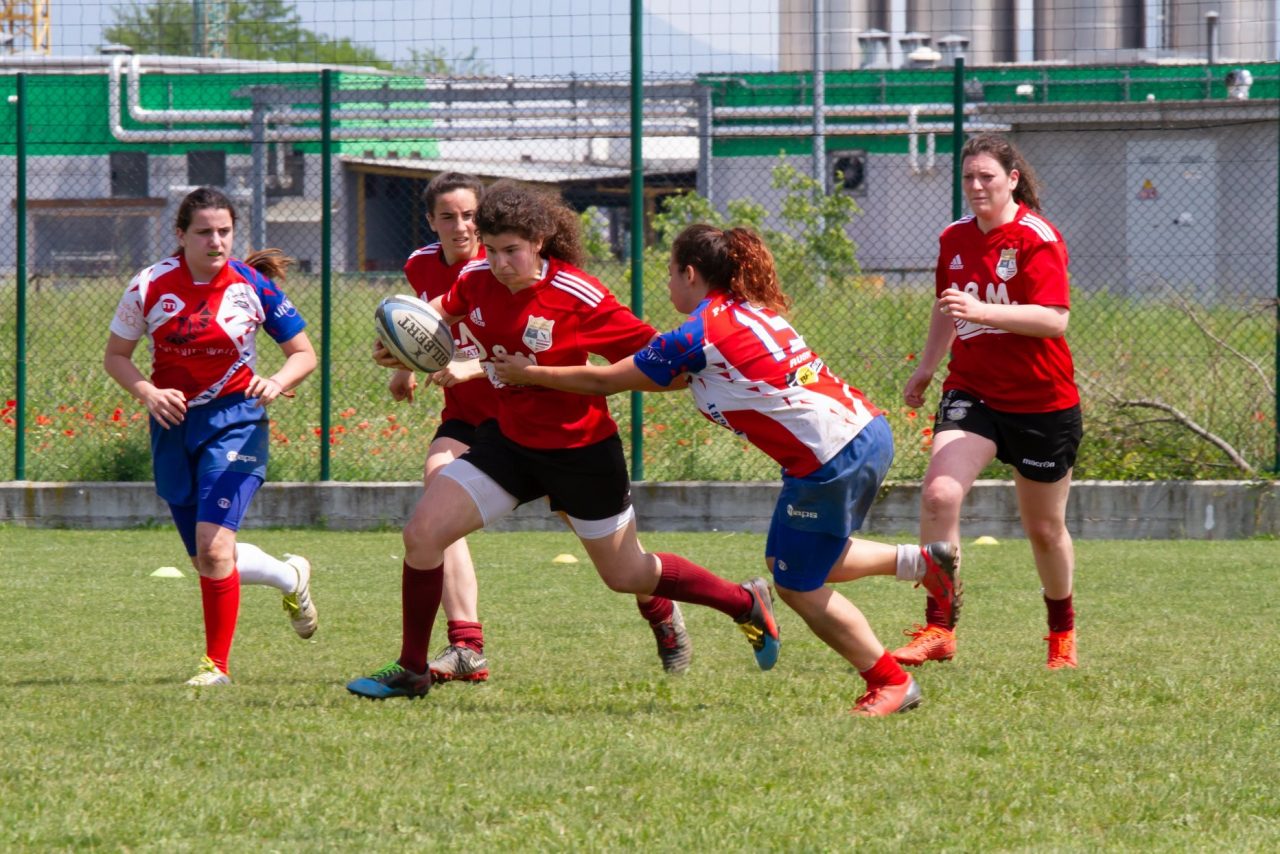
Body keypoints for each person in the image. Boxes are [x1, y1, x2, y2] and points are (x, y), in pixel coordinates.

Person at [493, 224, 962, 716]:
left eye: (670, 274)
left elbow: (608, 378)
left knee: (796, 584)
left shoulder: (698, 334)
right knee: (791, 559)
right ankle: (922, 563)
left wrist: (529, 373)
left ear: (690, 274)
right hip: (862, 433)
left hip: (829, 454)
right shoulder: (747, 310)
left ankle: (890, 682)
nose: (668, 286)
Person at [346, 181, 779, 700]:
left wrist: (548, 374)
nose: (501, 263)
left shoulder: (579, 294)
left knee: (627, 574)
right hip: (509, 444)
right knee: (422, 533)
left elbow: (665, 365)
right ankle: (413, 668)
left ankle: (743, 601)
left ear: (541, 241)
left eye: (513, 251)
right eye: (492, 249)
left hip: (581, 452)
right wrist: (396, 345)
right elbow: (436, 314)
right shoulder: (477, 277)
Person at [104, 186, 318, 688]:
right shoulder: (149, 286)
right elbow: (116, 356)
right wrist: (148, 392)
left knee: (216, 549)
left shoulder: (252, 286)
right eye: (204, 232)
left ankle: (215, 668)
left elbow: (303, 353)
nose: (216, 241)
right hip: (174, 426)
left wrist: (277, 382)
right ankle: (291, 577)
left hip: (238, 421)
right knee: (206, 558)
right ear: (180, 235)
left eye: (224, 231)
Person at [894, 133, 1082, 670]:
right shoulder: (954, 238)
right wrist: (928, 367)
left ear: (1012, 179)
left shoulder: (1036, 238)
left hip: (1041, 401)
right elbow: (946, 306)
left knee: (1044, 529)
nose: (976, 187)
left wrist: (983, 312)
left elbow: (1054, 319)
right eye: (969, 178)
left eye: (987, 178)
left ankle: (1061, 634)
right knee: (939, 495)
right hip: (972, 391)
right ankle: (939, 628)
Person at [395, 172, 501, 684]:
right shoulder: (420, 265)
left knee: (614, 556)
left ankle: (657, 606)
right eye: (448, 217)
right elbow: (421, 325)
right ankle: (467, 645)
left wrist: (473, 366)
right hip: (463, 416)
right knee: (439, 488)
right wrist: (401, 367)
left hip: (528, 416)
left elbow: (523, 351)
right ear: (430, 221)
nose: (461, 227)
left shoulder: (502, 263)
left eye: (470, 216)